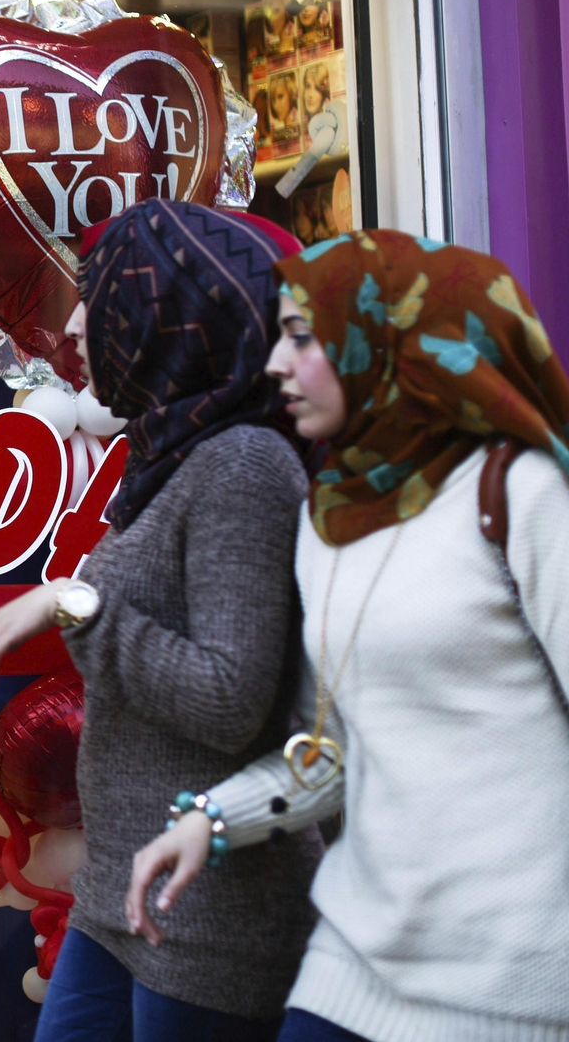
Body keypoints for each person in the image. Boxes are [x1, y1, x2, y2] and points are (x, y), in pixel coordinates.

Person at [126, 231, 569, 1042]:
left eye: (303, 335)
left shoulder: (521, 495)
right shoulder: (331, 516)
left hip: (515, 989)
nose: (274, 365)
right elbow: (329, 747)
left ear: (388, 337)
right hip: (352, 966)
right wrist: (211, 819)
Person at [0, 200, 319, 1041]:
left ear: (172, 313)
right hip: (118, 895)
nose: (79, 323)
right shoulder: (168, 456)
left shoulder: (241, 463)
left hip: (207, 913)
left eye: (102, 295)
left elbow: (230, 696)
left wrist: (76, 605)